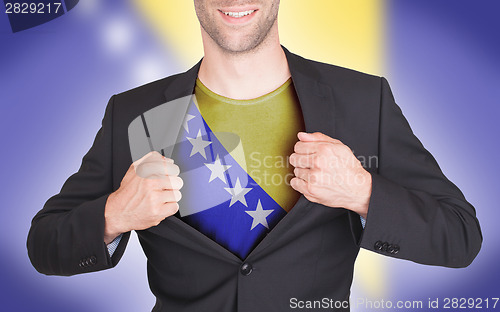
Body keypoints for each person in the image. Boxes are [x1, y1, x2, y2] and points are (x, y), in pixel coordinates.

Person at [27, 1, 482, 311]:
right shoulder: (136, 114)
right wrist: (114, 214)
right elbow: (44, 245)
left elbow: (460, 236)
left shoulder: (362, 100)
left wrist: (363, 192)